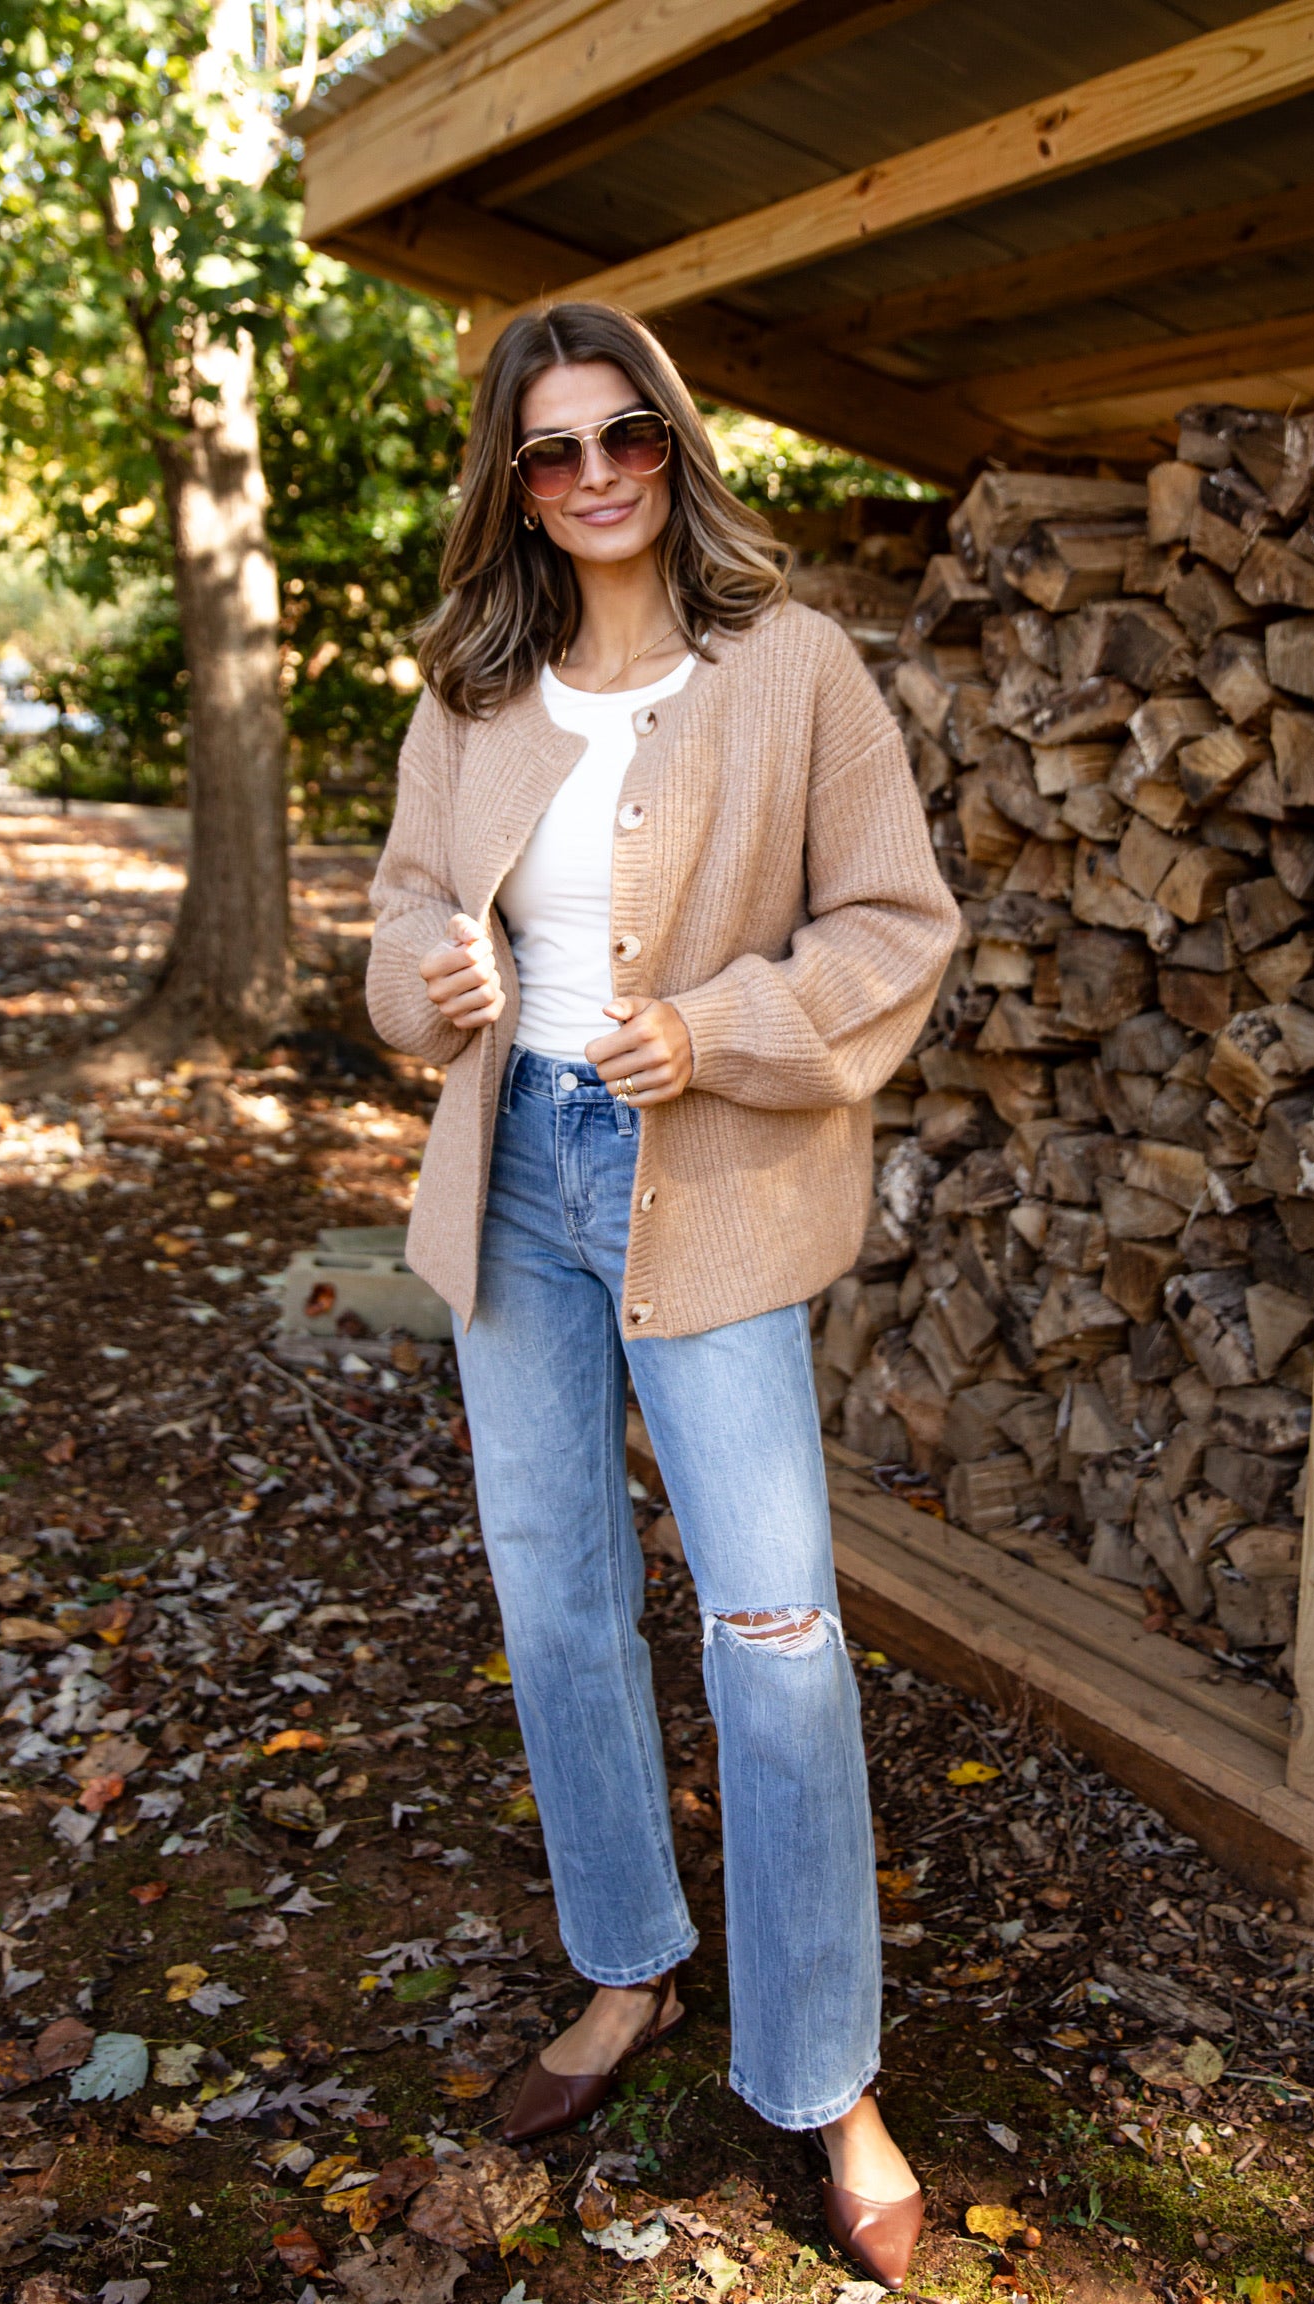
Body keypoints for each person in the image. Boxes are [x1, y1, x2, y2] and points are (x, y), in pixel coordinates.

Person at [366, 299, 958, 2290]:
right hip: (512, 1178)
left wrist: (716, 1031)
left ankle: (828, 2076)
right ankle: (628, 1965)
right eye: (555, 449)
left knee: (777, 1628)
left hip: (703, 1185)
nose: (598, 472)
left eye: (626, 434)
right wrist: (425, 980)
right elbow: (396, 915)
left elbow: (897, 922)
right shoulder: (469, 687)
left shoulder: (793, 667)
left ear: (673, 444)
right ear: (514, 484)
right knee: (556, 1594)